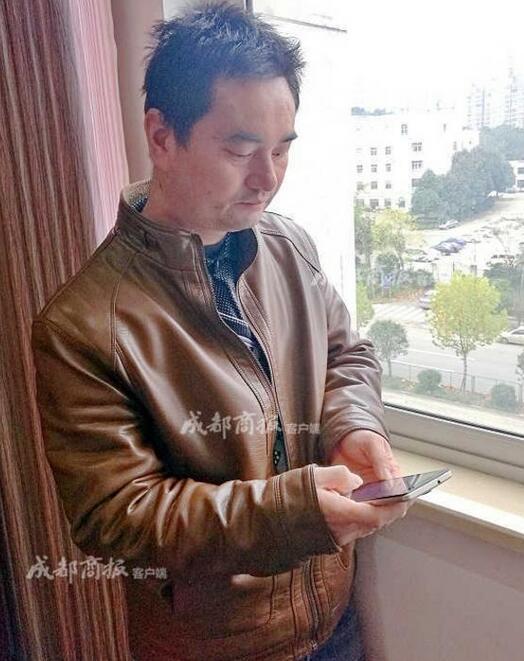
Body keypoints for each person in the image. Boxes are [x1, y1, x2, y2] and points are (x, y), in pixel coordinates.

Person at [31, 3, 410, 659]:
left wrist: (355, 428)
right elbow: (117, 517)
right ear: (161, 136)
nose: (268, 178)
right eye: (240, 150)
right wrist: (294, 512)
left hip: (333, 619)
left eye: (282, 149)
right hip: (213, 645)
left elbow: (345, 354)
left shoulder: (289, 246)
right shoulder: (82, 325)